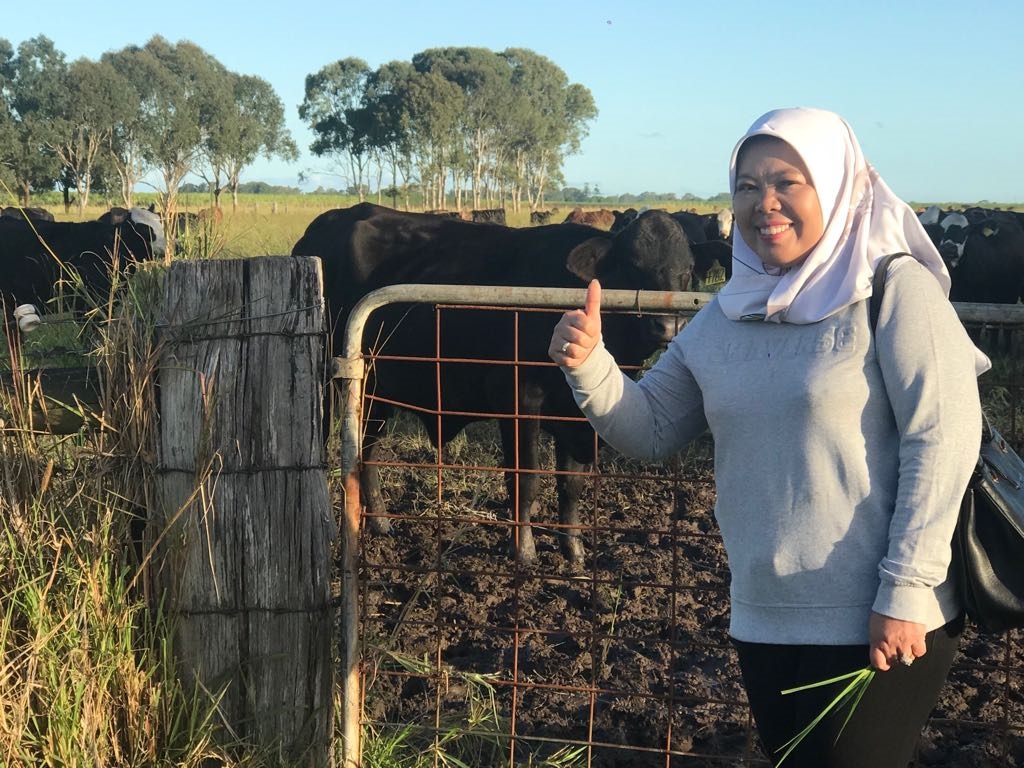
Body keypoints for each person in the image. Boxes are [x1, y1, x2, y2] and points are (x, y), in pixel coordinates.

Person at [548, 107, 988, 767]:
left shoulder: (895, 292)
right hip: (764, 617)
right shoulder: (728, 315)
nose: (765, 204)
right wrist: (589, 365)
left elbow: (944, 437)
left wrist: (906, 588)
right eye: (747, 187)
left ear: (839, 185)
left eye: (788, 182)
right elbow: (650, 429)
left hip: (880, 614)